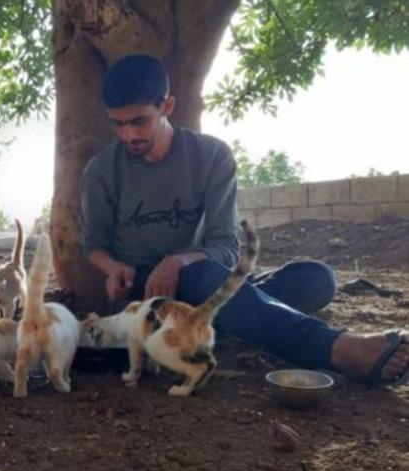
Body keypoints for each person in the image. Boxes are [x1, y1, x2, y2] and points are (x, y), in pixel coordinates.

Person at [79, 54, 408, 385]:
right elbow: (94, 246)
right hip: (146, 295)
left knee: (316, 278)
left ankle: (210, 326)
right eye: (118, 124)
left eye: (139, 121)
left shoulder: (211, 156)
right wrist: (112, 268)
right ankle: (335, 348)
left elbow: (224, 246)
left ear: (167, 106)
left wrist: (178, 261)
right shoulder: (101, 171)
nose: (127, 135)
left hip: (203, 280)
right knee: (213, 280)